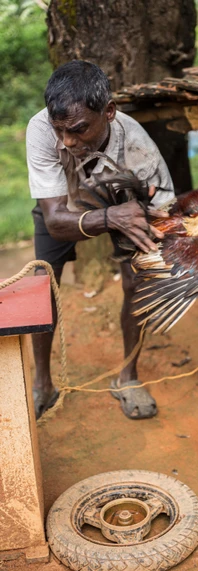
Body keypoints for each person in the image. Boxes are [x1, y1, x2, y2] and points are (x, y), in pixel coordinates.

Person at [26, 60, 175, 421]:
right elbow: (56, 222)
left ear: (109, 112)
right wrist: (108, 218)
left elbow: (162, 223)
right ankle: (42, 382)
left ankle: (127, 377)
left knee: (137, 282)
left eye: (78, 129)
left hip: (127, 203)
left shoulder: (142, 153)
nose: (68, 141)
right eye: (60, 130)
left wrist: (137, 235)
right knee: (42, 283)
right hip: (64, 207)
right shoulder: (40, 129)